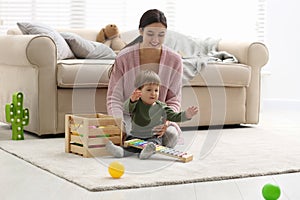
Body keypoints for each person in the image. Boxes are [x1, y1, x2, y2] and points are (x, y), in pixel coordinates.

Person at [106, 9, 184, 148]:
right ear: (141, 31)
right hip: (131, 117)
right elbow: (114, 98)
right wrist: (118, 123)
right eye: (150, 34)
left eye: (161, 35)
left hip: (159, 119)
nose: (155, 40)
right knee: (124, 133)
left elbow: (174, 99)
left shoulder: (175, 60)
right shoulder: (124, 57)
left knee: (171, 136)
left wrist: (167, 122)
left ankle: (147, 144)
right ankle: (143, 143)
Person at [106, 70, 198, 159]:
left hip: (153, 137)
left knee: (153, 144)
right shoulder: (136, 104)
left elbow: (174, 116)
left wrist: (186, 115)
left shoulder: (161, 107)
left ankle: (146, 152)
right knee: (129, 146)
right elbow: (126, 108)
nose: (153, 93)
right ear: (139, 91)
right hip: (136, 136)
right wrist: (132, 100)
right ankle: (120, 152)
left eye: (156, 90)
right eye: (149, 90)